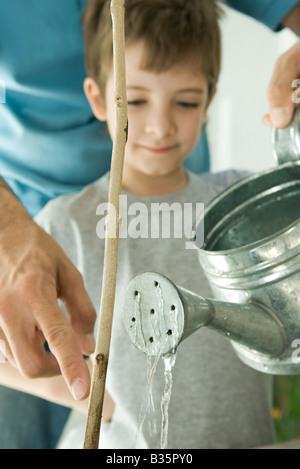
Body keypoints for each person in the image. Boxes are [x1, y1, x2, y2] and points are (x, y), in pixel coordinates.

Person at [0, 0, 299, 450]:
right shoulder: (63, 225)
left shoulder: (237, 201)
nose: (160, 127)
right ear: (98, 99)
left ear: (209, 100)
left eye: (185, 101)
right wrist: (88, 395)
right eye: (135, 100)